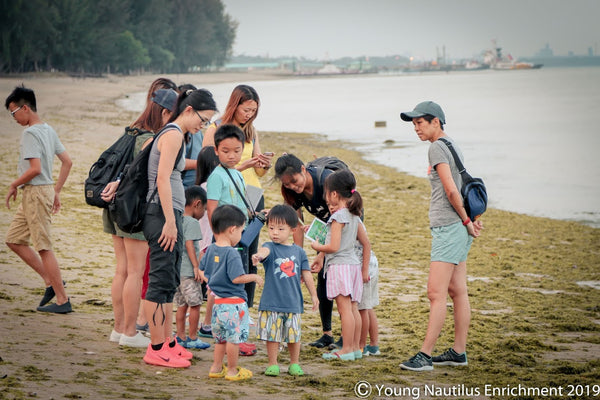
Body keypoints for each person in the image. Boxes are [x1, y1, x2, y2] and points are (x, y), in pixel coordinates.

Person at [399, 101, 482, 371]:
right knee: (458, 291)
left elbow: (450, 190)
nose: (416, 129)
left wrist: (467, 220)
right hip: (457, 227)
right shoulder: (451, 144)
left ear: (436, 121)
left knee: (435, 293)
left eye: (420, 123)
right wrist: (467, 222)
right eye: (413, 125)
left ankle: (424, 355)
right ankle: (458, 352)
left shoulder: (436, 148)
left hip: (450, 226)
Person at [142, 89, 217, 368]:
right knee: (159, 282)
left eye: (208, 122)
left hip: (168, 214)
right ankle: (156, 347)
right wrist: (171, 222)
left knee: (168, 281)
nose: (204, 126)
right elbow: (162, 179)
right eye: (204, 119)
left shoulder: (178, 135)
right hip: (161, 215)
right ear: (189, 110)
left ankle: (166, 342)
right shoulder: (173, 134)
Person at [101, 81, 178, 347]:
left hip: (114, 207)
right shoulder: (151, 140)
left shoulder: (131, 131)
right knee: (135, 272)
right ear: (166, 113)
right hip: (132, 211)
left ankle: (118, 329)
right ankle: (130, 333)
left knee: (122, 270)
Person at [203, 84, 273, 308]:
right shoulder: (216, 128)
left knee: (249, 253)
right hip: (227, 196)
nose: (249, 114)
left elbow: (259, 172)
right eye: (246, 109)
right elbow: (210, 168)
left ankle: (246, 304)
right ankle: (222, 301)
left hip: (251, 194)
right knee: (228, 252)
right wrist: (243, 165)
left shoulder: (251, 131)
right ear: (234, 105)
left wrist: (263, 165)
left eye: (253, 111)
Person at [4, 85, 72, 313]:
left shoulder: (30, 133)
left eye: (13, 112)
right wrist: (57, 191)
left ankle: (62, 300)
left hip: (35, 192)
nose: (13, 118)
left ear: (25, 108)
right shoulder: (48, 129)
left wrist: (14, 184)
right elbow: (67, 162)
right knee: (13, 239)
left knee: (43, 247)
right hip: (41, 191)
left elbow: (35, 168)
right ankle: (51, 281)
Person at [273, 153, 339, 349]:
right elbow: (296, 224)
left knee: (339, 281)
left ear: (303, 169)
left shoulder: (327, 181)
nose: (293, 187)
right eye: (287, 185)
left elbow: (344, 215)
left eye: (294, 181)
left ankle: (348, 337)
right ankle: (327, 334)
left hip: (345, 225)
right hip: (327, 228)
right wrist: (297, 256)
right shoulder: (293, 193)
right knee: (323, 279)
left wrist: (321, 253)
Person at [251, 204, 318, 376]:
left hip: (293, 302)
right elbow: (264, 251)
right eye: (271, 228)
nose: (275, 232)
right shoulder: (270, 246)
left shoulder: (299, 252)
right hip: (271, 302)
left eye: (281, 229)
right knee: (272, 336)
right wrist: (258, 256)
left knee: (293, 336)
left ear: (293, 230)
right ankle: (272, 363)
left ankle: (294, 363)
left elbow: (307, 275)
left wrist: (314, 295)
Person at [310, 169, 370, 361]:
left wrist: (316, 246)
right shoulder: (355, 215)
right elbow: (366, 243)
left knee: (345, 311)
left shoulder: (337, 218)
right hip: (353, 266)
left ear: (334, 194)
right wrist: (365, 268)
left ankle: (346, 350)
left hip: (340, 267)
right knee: (353, 309)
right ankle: (354, 348)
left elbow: (333, 246)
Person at [201, 204, 263, 381]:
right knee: (233, 339)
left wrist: (213, 283)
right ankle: (232, 370)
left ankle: (216, 367)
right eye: (241, 231)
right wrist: (253, 277)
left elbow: (203, 271)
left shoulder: (211, 248)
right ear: (232, 229)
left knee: (220, 339)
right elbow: (237, 278)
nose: (241, 235)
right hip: (234, 304)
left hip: (218, 303)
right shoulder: (232, 253)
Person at [174, 185, 211, 350]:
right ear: (196, 204)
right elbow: (190, 244)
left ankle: (180, 336)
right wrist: (197, 267)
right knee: (195, 305)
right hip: (189, 272)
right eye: (204, 208)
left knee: (181, 306)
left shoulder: (178, 219)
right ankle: (193, 337)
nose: (204, 213)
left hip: (178, 272)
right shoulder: (193, 222)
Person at [194, 146, 220, 339]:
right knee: (213, 286)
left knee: (200, 286)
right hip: (209, 241)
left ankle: (201, 323)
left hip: (199, 242)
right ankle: (207, 323)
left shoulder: (198, 189)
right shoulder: (211, 188)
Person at [355, 231, 381, 356]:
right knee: (368, 306)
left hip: (364, 266)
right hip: (368, 264)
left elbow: (366, 244)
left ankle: (362, 346)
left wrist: (364, 270)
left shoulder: (352, 220)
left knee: (362, 307)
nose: (331, 209)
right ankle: (374, 345)